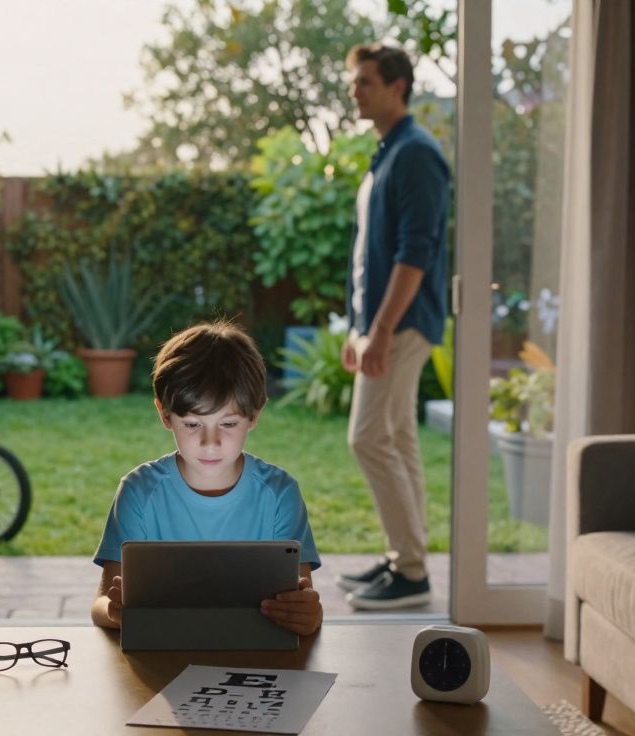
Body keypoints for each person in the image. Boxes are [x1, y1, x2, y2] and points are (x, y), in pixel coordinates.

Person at [90, 320, 323, 636]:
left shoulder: (280, 494)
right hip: (161, 655)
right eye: (192, 424)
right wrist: (115, 610)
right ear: (164, 415)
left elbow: (301, 599)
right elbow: (101, 605)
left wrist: (308, 615)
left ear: (254, 415)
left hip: (258, 654)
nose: (210, 443)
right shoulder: (138, 492)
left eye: (227, 424)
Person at [336, 43, 450, 610]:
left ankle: (410, 572)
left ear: (397, 86)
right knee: (398, 439)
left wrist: (380, 331)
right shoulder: (388, 153)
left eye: (365, 82)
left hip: (403, 324)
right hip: (381, 323)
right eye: (354, 81)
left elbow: (415, 252)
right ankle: (406, 559)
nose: (354, 91)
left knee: (367, 438)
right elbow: (369, 252)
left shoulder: (416, 154)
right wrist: (357, 327)